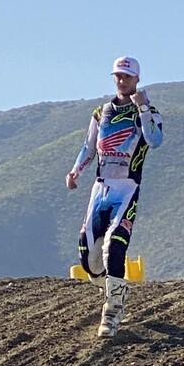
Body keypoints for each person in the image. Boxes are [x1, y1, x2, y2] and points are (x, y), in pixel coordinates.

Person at [66, 56, 164, 337]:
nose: (122, 81)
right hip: (100, 188)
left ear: (137, 79)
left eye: (127, 77)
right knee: (89, 256)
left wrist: (143, 107)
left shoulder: (148, 111)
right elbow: (89, 147)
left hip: (127, 187)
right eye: (118, 76)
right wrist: (75, 172)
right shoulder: (102, 112)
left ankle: (113, 309)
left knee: (115, 246)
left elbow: (155, 140)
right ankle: (112, 286)